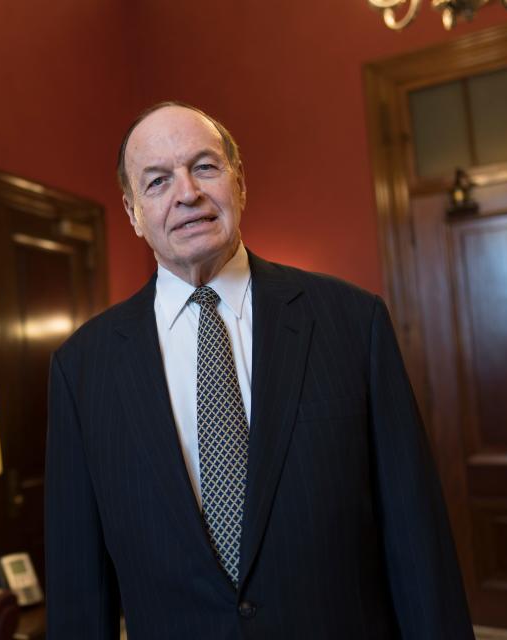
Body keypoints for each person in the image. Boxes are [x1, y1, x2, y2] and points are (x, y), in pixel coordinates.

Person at [44, 102, 473, 639]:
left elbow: (418, 539)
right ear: (133, 213)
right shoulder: (82, 367)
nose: (187, 193)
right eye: (157, 182)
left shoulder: (352, 322)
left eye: (204, 167)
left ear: (238, 184)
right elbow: (78, 590)